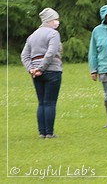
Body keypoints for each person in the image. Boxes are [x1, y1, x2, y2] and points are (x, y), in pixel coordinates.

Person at [20, 8, 63, 139]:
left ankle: (41, 132)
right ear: (49, 20)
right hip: (52, 71)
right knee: (50, 102)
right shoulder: (53, 34)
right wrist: (42, 68)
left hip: (36, 73)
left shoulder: (32, 36)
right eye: (55, 19)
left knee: (42, 102)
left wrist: (31, 69)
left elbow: (24, 55)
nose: (57, 22)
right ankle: (49, 133)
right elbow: (51, 52)